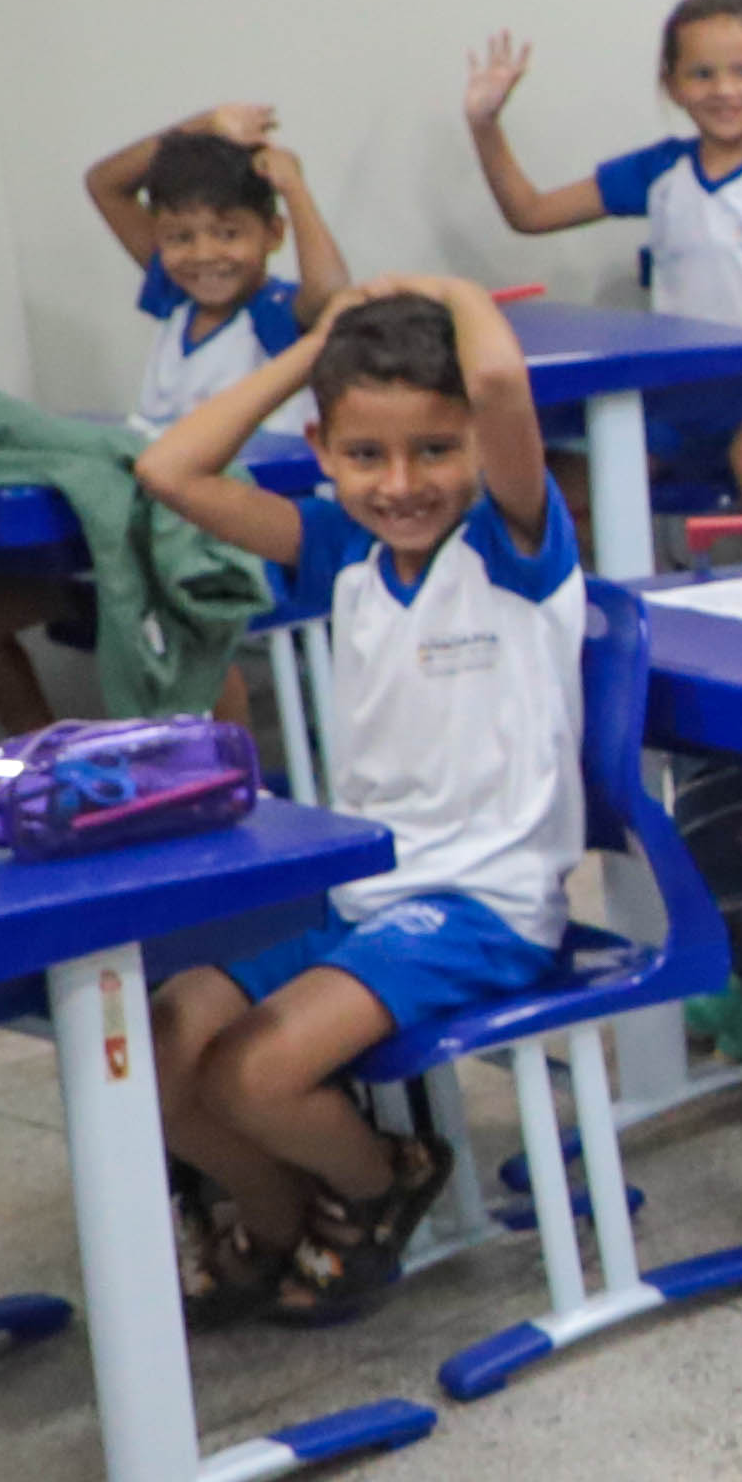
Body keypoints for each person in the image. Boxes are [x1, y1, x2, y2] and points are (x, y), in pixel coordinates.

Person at [131, 280, 586, 1328]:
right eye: (366, 455)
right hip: (356, 889)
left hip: (482, 905)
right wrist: (317, 347)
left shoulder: (512, 547)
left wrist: (446, 289)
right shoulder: (342, 551)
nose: (401, 483)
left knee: (252, 1074)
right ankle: (278, 1211)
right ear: (321, 448)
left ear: (477, 448)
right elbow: (169, 467)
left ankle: (379, 1184)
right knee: (157, 1048)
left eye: (436, 448)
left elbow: (502, 378)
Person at [0, 105, 354, 737]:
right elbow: (104, 183)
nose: (203, 255)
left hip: (238, 550)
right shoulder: (173, 299)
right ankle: (45, 758)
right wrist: (205, 125)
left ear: (271, 235)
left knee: (193, 631)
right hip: (132, 543)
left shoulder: (272, 314)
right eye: (180, 238)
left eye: (227, 233)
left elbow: (330, 297)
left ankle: (226, 788)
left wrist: (293, 185)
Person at [461, 0, 742, 526]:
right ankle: (621, 598)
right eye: (702, 74)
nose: (724, 91)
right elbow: (529, 212)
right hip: (680, 401)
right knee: (545, 482)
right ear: (672, 84)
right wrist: (486, 127)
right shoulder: (660, 170)